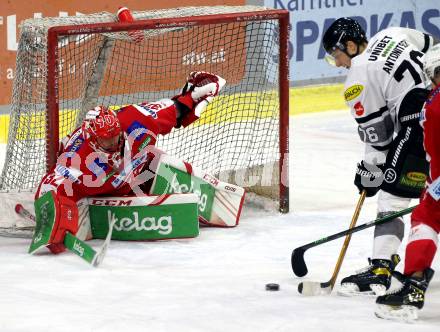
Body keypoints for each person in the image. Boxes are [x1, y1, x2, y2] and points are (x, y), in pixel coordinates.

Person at [35, 71, 225, 253]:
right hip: (101, 194)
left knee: (158, 161)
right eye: (106, 141)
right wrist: (50, 222)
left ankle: (208, 197)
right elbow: (49, 187)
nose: (113, 143)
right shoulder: (75, 159)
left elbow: (175, 109)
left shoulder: (137, 120)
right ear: (92, 140)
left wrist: (194, 96)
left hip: (138, 174)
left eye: (116, 136)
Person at [322, 18, 437, 296]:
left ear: (350, 46)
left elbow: (380, 141)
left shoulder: (357, 80)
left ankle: (381, 267)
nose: (338, 64)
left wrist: (369, 173)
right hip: (438, 107)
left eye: (337, 56)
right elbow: (430, 45)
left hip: (419, 124)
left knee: (392, 195)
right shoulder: (392, 33)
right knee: (434, 189)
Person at [375, 44, 440, 322]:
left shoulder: (433, 105)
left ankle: (413, 285)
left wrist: (432, 186)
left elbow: (434, 151)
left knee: (426, 218)